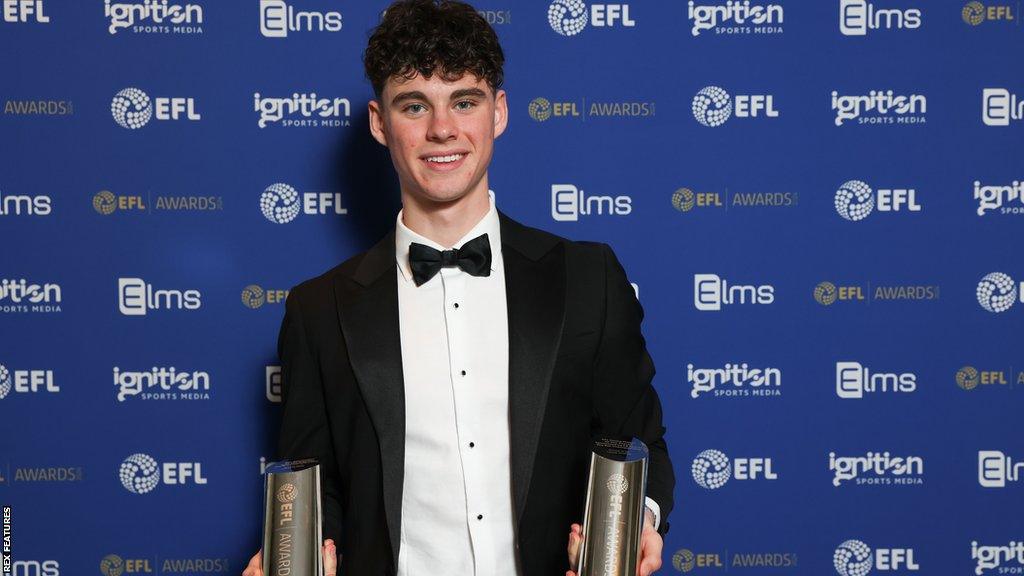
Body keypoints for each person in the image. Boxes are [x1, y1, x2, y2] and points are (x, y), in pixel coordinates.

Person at [243, 1, 674, 575]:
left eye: (464, 101)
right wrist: (292, 556)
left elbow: (638, 439)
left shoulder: (587, 279)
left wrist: (639, 524)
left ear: (498, 112)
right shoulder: (318, 309)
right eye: (414, 105)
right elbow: (307, 487)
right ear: (379, 123)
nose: (442, 128)